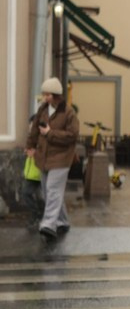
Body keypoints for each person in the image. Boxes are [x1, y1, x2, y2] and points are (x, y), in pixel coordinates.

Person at [25, 78, 79, 240]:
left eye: (47, 94)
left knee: (53, 190)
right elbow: (35, 129)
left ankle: (48, 224)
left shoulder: (68, 112)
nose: (44, 97)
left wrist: (50, 133)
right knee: (49, 191)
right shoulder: (43, 109)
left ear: (56, 95)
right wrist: (30, 145)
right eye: (44, 94)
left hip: (61, 158)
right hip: (43, 157)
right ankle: (62, 221)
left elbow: (72, 135)